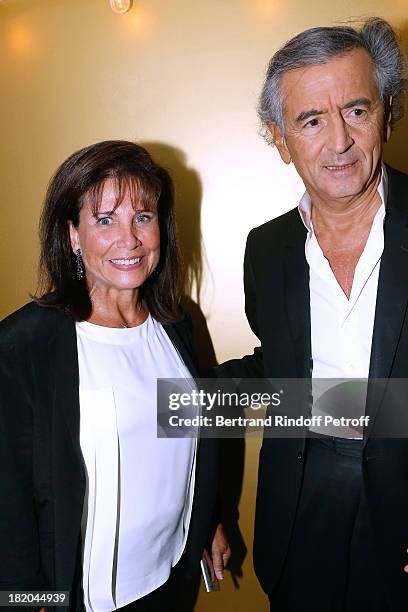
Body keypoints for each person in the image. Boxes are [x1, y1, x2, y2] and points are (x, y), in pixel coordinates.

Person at [218, 17, 408, 612]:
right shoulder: (265, 249)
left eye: (356, 110)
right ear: (281, 138)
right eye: (311, 120)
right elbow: (280, 375)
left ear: (388, 111)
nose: (339, 142)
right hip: (299, 512)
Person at [0, 140, 230, 612]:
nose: (129, 240)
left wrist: (209, 519)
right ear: (73, 235)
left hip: (172, 578)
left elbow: (189, 434)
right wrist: (25, 601)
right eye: (105, 220)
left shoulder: (176, 323)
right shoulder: (23, 345)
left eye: (142, 218)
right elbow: (8, 499)